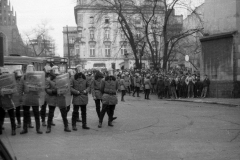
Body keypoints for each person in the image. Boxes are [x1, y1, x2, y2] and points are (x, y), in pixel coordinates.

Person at [45, 66, 71, 133]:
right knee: (50, 113)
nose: (56, 74)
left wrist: (64, 90)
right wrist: (53, 91)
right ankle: (48, 127)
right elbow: (47, 89)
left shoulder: (62, 78)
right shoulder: (48, 80)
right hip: (52, 98)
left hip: (60, 97)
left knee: (63, 113)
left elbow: (66, 87)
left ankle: (66, 126)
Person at [0, 67, 17, 136]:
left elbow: (14, 90)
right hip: (1, 101)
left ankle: (13, 129)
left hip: (10, 101)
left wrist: (9, 92)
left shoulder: (11, 80)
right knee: (1, 117)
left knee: (12, 117)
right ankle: (0, 128)